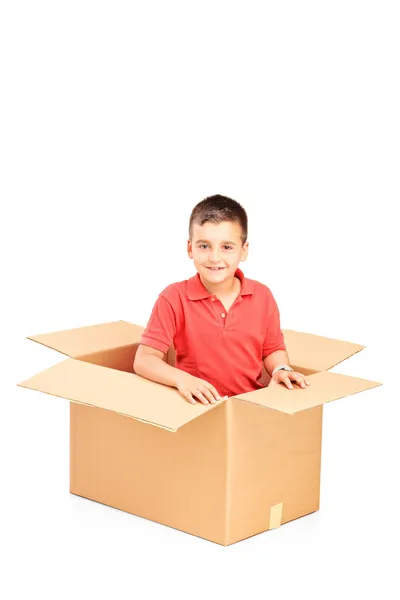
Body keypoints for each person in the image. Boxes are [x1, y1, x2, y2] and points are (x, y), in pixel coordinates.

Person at [134, 194, 310, 405]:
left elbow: (272, 349)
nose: (214, 257)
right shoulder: (174, 297)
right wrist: (183, 380)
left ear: (243, 251)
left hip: (251, 406)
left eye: (226, 247)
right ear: (190, 249)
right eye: (204, 246)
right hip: (197, 407)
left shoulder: (263, 296)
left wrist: (282, 369)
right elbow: (144, 359)